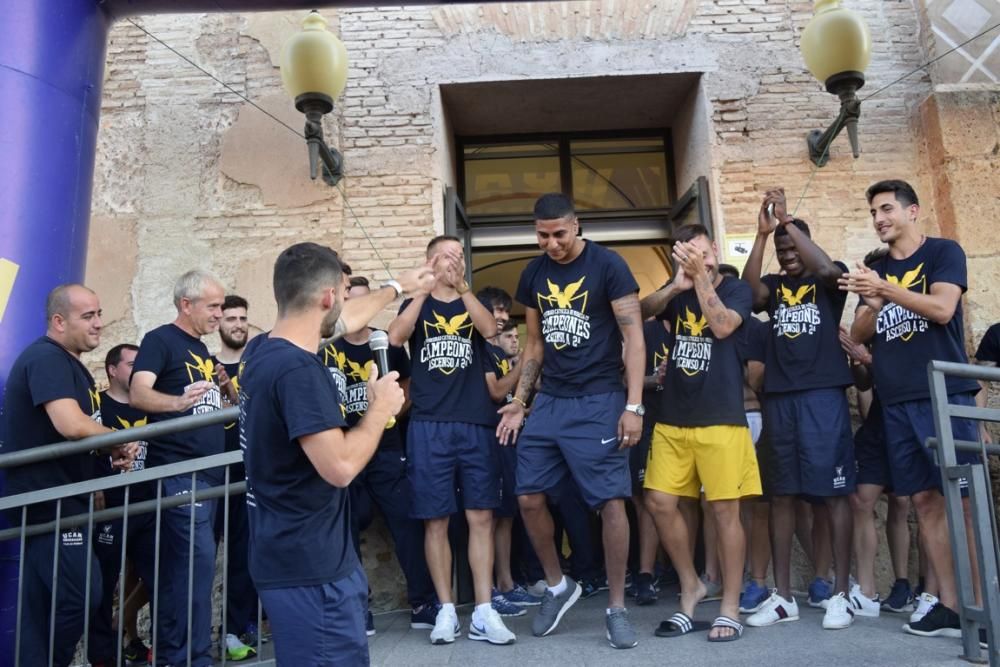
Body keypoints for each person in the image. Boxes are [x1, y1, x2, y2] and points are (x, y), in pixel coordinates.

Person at [240, 242, 405, 665]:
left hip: (290, 557)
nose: (346, 302)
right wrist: (379, 408)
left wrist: (395, 289)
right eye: (345, 289)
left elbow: (344, 320)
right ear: (328, 296)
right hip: (311, 570)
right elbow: (341, 467)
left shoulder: (262, 351)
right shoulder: (297, 372)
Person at [497, 193, 645, 649]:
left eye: (559, 234)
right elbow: (535, 345)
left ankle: (616, 607)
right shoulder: (534, 273)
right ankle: (559, 585)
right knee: (527, 498)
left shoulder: (608, 265)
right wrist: (521, 400)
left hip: (600, 398)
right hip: (551, 401)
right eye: (542, 235)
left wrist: (633, 405)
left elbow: (633, 337)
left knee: (611, 501)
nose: (552, 244)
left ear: (576, 226)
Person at [840, 179, 982, 639]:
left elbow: (942, 309)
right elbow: (860, 334)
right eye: (873, 213)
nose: (879, 219)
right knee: (924, 502)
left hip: (944, 393)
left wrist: (886, 289)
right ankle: (951, 606)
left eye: (886, 209)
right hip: (896, 401)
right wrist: (873, 300)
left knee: (962, 504)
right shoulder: (877, 266)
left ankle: (984, 607)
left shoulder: (943, 252)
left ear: (912, 211)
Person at [388, 236, 517, 646]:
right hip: (429, 423)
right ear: (430, 260)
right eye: (448, 255)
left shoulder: (469, 298)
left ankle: (483, 610)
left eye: (460, 256)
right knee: (435, 519)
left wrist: (463, 288)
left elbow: (490, 330)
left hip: (475, 422)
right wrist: (422, 289)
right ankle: (445, 610)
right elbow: (394, 336)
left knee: (481, 516)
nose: (455, 261)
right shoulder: (419, 302)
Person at [740, 188, 858, 629]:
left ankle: (841, 594)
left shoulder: (827, 281)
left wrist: (788, 222)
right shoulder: (774, 287)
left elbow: (826, 267)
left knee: (833, 493)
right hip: (781, 399)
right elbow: (750, 296)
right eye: (782, 250)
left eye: (792, 247)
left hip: (823, 395)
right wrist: (762, 235)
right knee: (782, 493)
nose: (787, 255)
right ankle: (783, 596)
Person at [639, 223, 761, 642]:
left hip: (721, 417)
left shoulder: (736, 289)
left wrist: (704, 278)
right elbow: (638, 313)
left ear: (715, 250)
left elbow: (724, 326)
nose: (696, 260)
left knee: (724, 511)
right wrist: (675, 286)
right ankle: (690, 585)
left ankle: (729, 605)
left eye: (702, 253)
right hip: (673, 417)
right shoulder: (678, 291)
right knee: (658, 502)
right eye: (687, 254)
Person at [2, 284, 136, 667]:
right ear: (59, 321)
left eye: (98, 313)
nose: (98, 324)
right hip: (48, 501)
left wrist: (104, 455)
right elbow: (70, 424)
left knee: (42, 607)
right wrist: (118, 438)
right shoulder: (47, 359)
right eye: (88, 316)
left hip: (61, 499)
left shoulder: (65, 362)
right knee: (81, 596)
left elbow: (76, 431)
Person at [323, 276, 439, 635]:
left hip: (387, 449)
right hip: (345, 448)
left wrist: (391, 412)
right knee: (346, 530)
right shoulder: (328, 347)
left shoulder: (384, 343)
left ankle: (422, 602)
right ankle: (360, 609)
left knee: (405, 524)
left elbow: (409, 383)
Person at [130, 270, 228, 666]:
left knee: (192, 572)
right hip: (178, 473)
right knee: (191, 572)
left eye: (222, 305)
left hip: (207, 474)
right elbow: (139, 392)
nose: (220, 314)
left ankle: (179, 656)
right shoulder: (160, 340)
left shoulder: (203, 351)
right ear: (186, 305)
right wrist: (178, 404)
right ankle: (189, 658)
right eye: (214, 306)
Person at [88, 343, 155, 666]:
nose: (139, 369)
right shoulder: (98, 407)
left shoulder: (149, 405)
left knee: (157, 576)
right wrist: (94, 487)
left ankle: (158, 646)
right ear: (113, 370)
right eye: (132, 363)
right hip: (111, 508)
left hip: (149, 504)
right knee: (104, 583)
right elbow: (82, 448)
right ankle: (104, 655)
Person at [211, 294, 259, 660]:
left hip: (252, 469)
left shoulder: (257, 362)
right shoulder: (205, 365)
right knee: (204, 553)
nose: (238, 324)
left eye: (243, 317)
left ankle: (238, 627)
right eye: (231, 318)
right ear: (218, 323)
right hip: (212, 471)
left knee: (244, 552)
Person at [630, 315, 671, 606]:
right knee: (646, 498)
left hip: (690, 422)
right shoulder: (647, 330)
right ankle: (645, 574)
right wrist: (656, 379)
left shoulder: (700, 324)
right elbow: (624, 378)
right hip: (647, 424)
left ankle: (689, 572)